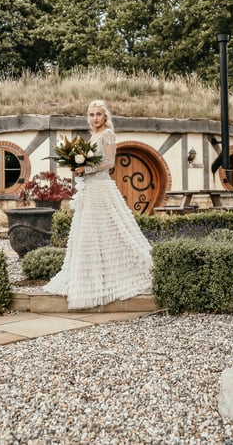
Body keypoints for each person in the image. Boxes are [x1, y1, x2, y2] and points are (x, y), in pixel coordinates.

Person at [44, 99, 153, 309]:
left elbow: (110, 162)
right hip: (88, 190)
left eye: (98, 114)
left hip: (101, 188)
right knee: (89, 234)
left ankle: (121, 273)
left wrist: (86, 169)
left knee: (110, 230)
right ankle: (90, 278)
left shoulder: (107, 135)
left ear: (105, 117)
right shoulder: (92, 137)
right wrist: (78, 168)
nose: (95, 118)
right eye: (92, 114)